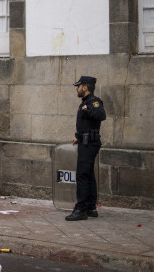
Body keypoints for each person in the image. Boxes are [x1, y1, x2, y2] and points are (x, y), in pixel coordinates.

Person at [66, 76, 106, 221]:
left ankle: (81, 209)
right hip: (85, 142)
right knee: (88, 175)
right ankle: (90, 207)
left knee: (82, 175)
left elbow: (101, 115)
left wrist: (88, 109)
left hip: (90, 144)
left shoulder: (93, 102)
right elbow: (85, 125)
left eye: (79, 86)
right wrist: (78, 136)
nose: (77, 89)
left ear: (85, 87)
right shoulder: (85, 102)